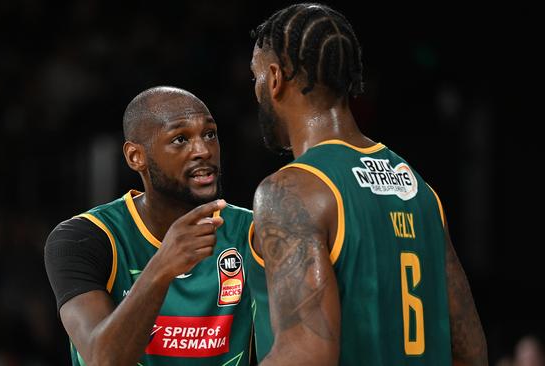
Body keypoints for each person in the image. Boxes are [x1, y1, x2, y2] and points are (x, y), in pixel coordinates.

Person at [245, 3, 488, 365]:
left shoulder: (293, 190)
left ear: (276, 79)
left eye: (257, 77)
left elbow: (307, 353)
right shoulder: (419, 190)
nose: (256, 89)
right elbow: (470, 351)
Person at [44, 86, 253, 366]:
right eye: (180, 139)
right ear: (135, 157)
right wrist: (162, 266)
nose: (203, 150)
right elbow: (102, 360)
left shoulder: (254, 230)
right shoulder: (84, 238)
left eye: (210, 134)